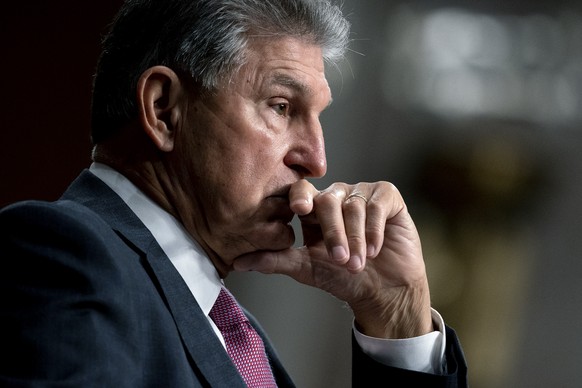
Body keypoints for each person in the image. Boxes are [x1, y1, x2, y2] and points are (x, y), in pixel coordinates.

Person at [0, 0, 467, 386]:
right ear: (164, 109)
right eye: (282, 107)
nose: (316, 160)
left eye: (318, 117)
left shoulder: (229, 329)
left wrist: (397, 317)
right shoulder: (64, 255)